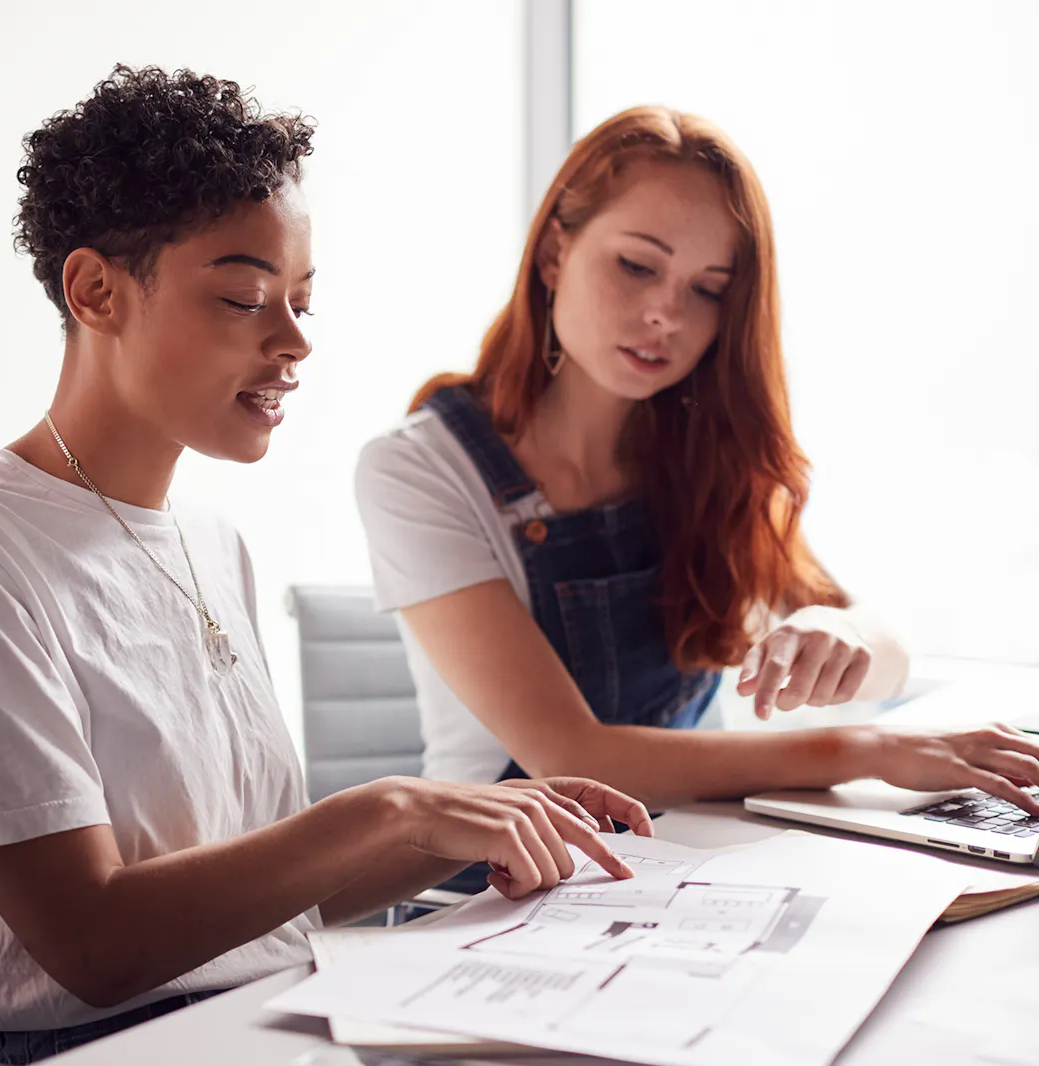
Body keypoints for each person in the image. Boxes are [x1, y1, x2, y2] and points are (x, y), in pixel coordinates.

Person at [0, 66, 649, 1064]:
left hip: (281, 1014)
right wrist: (392, 807)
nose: (293, 342)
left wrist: (480, 823)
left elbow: (272, 890)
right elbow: (92, 944)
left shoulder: (210, 540)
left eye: (300, 301)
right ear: (96, 291)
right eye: (244, 297)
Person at [354, 105, 1039, 830]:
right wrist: (867, 748)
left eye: (708, 289)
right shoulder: (415, 470)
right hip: (492, 886)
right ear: (555, 253)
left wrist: (844, 638)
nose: (667, 315)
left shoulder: (699, 451)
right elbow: (570, 757)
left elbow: (890, 653)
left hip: (682, 858)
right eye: (638, 265)